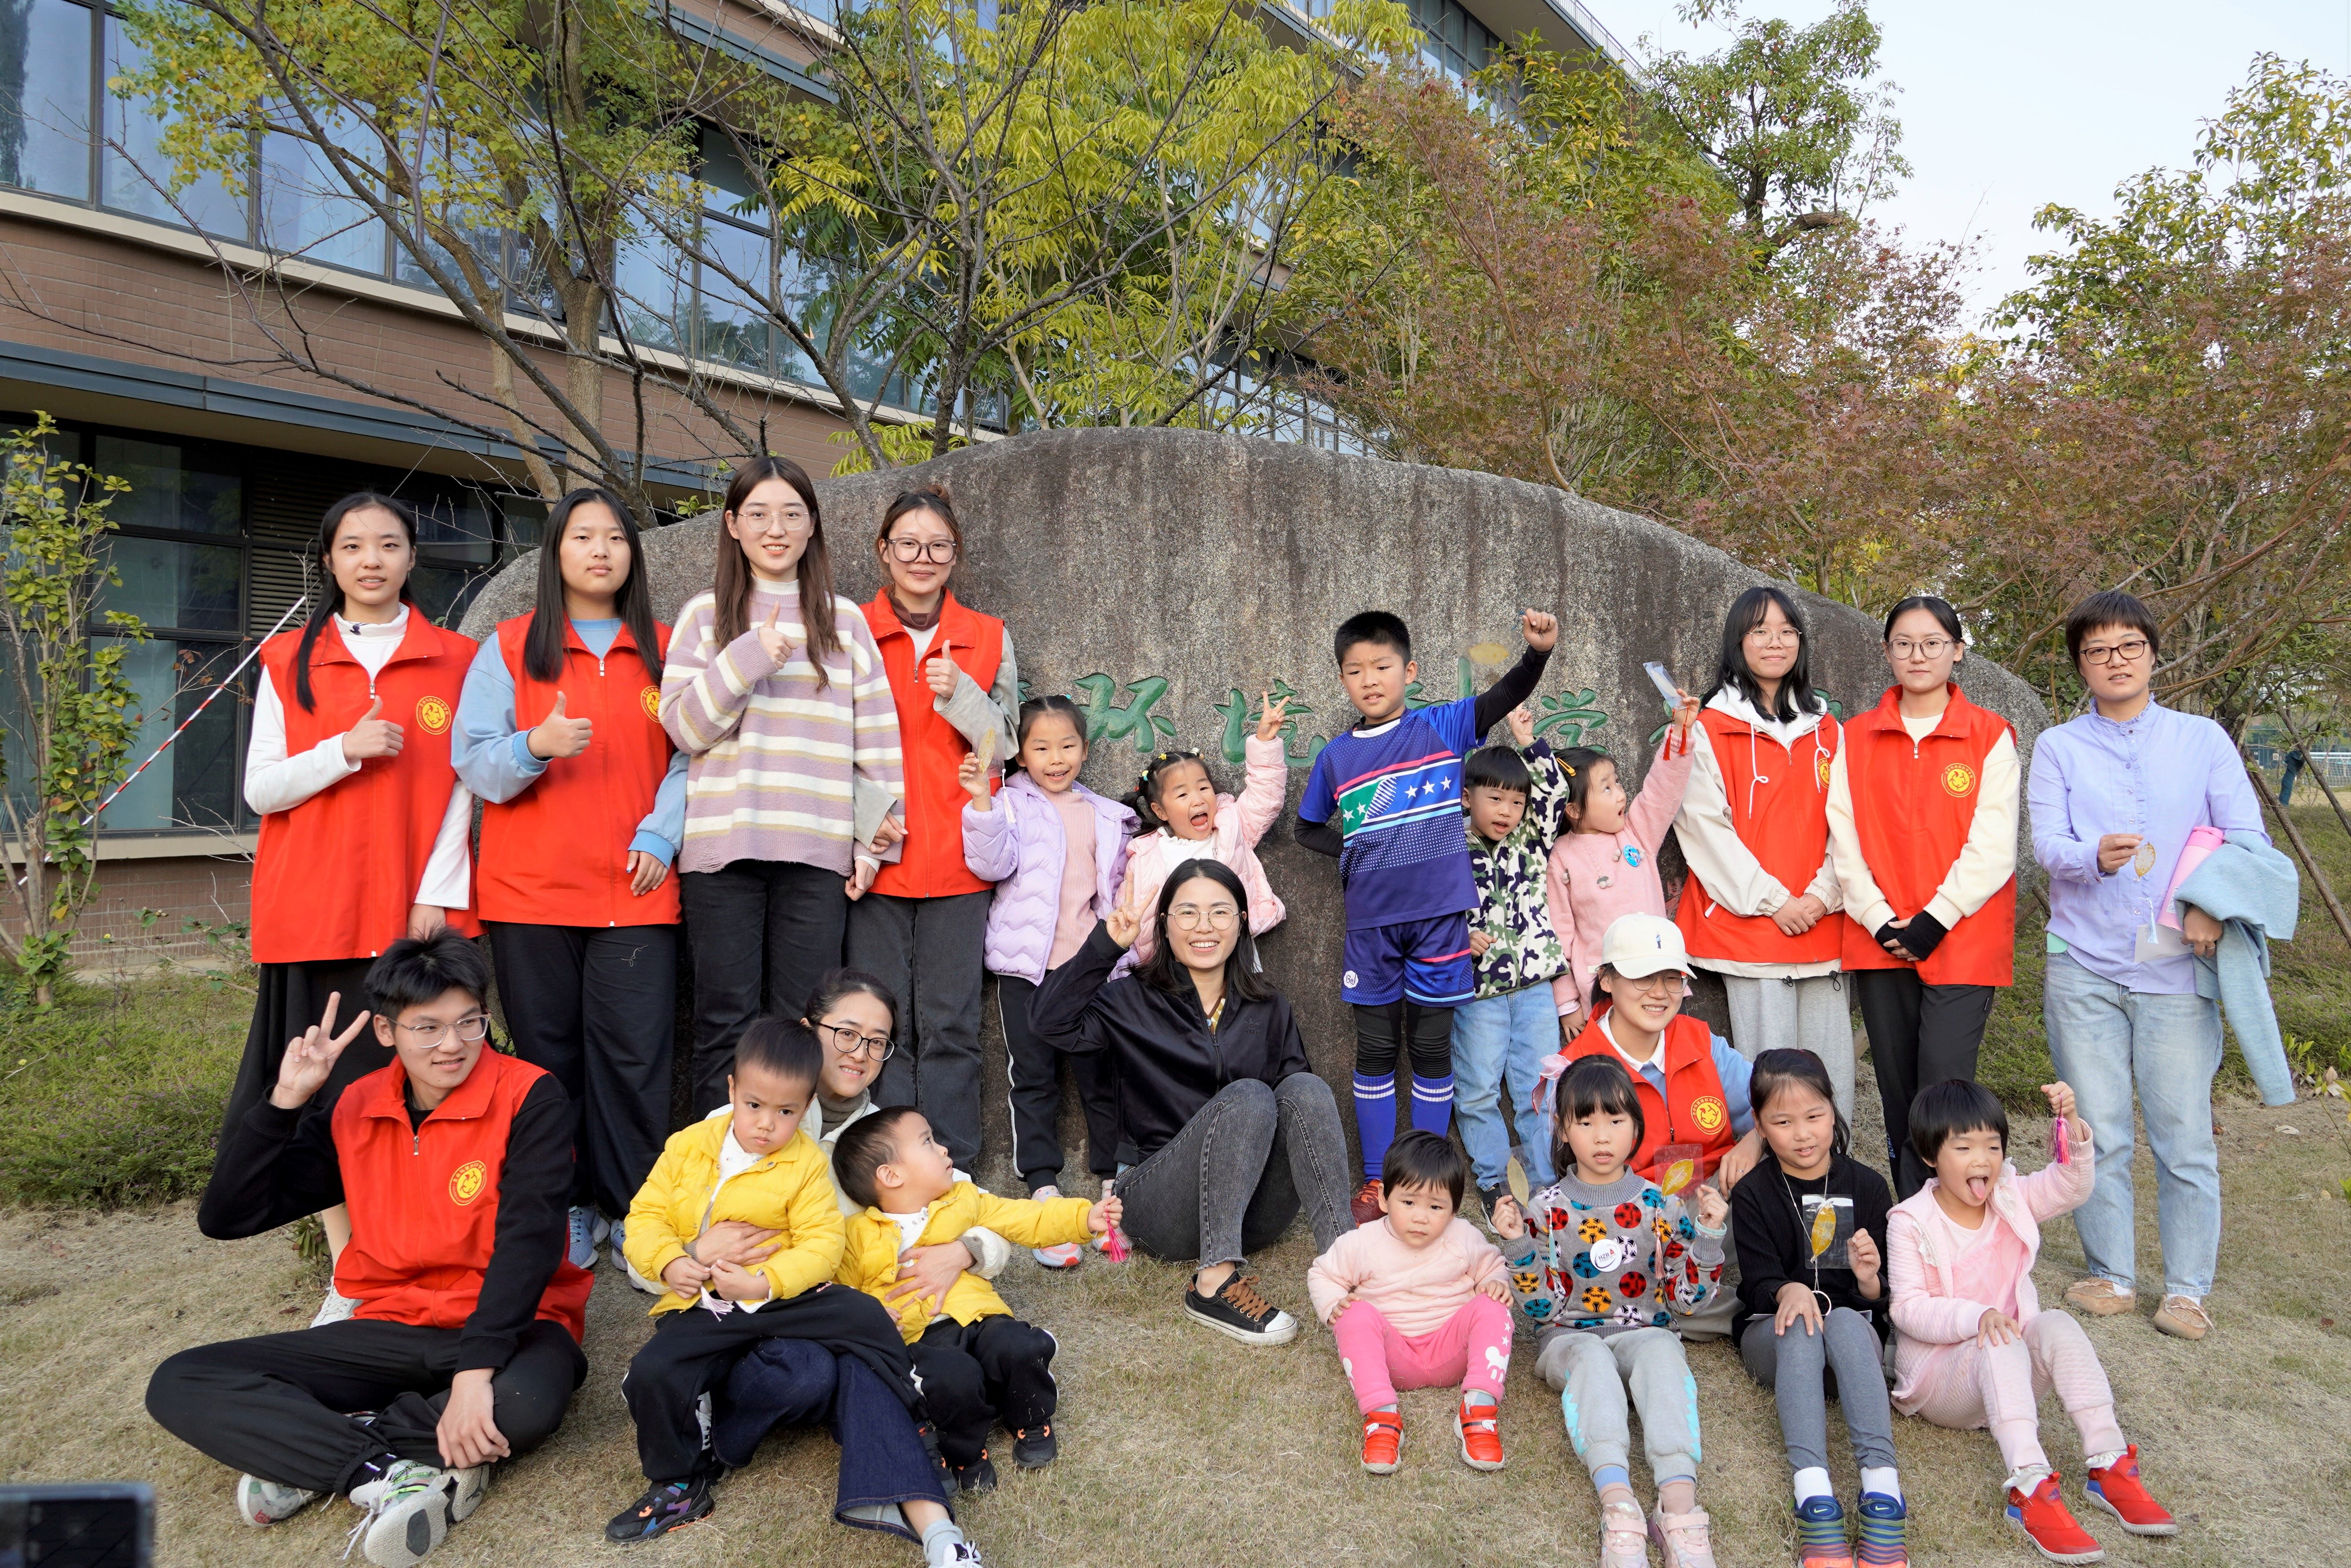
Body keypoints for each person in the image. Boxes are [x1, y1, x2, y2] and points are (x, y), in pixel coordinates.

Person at [148, 933, 587, 1568]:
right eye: (428, 1028)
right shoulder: (357, 1105)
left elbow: (529, 1242)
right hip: (389, 1326)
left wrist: (473, 1375)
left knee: (522, 1406)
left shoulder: (529, 1094)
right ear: (386, 1030)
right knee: (182, 1379)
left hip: (513, 1325)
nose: (453, 1044)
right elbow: (228, 1216)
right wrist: (285, 1102)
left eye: (469, 1022)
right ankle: (378, 1469)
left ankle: (310, 1446)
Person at [226, 491, 479, 1323]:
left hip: (411, 917)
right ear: (329, 560)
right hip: (315, 913)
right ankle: (351, 1271)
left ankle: (431, 1251)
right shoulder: (287, 660)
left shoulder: (457, 659)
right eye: (353, 546)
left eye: (389, 544)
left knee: (418, 1091)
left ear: (413, 557)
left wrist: (437, 893)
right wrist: (343, 748)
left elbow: (464, 789)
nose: (372, 560)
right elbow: (261, 788)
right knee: (329, 1099)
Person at [609, 1022, 978, 1567]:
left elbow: (822, 1245)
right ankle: (679, 1483)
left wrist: (765, 1281)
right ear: (732, 1090)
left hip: (783, 1297)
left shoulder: (806, 1162)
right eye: (754, 1106)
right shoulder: (688, 1146)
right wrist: (672, 1261)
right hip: (712, 1300)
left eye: (785, 1112)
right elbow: (644, 1219)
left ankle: (914, 1416)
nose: (766, 1124)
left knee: (861, 1314)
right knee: (653, 1370)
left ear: (804, 1108)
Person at [454, 486, 684, 1276]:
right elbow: (474, 763)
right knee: (548, 1060)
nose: (599, 550)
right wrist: (536, 745)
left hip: (637, 891)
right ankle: (570, 1205)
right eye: (582, 536)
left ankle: (638, 1215)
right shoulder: (511, 646)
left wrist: (661, 830)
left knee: (636, 1061)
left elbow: (697, 754)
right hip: (531, 895)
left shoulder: (665, 647)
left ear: (632, 554)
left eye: (614, 537)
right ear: (555, 553)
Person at [2028, 589, 2267, 1342]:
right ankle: (2111, 1273)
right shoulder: (2059, 746)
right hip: (2084, 961)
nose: (2114, 660)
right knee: (2097, 1128)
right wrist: (2089, 856)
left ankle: (2188, 1289)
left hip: (2175, 961)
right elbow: (2046, 843)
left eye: (2128, 645)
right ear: (2080, 665)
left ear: (2153, 653)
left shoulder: (2202, 739)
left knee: (2182, 1131)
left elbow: (2245, 835)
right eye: (2096, 650)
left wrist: (2209, 905)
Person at [706, 976, 1002, 1565]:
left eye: (877, 1041)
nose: (859, 1052)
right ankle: (713, 1432)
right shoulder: (736, 1120)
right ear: (807, 1030)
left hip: (832, 1322)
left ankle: (940, 1536)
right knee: (812, 1366)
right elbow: (658, 1227)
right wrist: (695, 1247)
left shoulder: (883, 1135)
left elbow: (979, 1206)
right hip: (743, 1316)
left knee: (843, 1353)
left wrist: (967, 1249)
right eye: (845, 1033)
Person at [661, 455, 906, 1114]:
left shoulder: (843, 621)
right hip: (723, 851)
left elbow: (876, 742)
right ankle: (715, 1167)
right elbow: (684, 729)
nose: (776, 529)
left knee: (804, 1028)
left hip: (815, 853)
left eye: (792, 514)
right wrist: (745, 658)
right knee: (724, 1021)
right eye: (760, 514)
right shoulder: (704, 615)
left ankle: (795, 1170)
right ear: (732, 524)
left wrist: (871, 846)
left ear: (812, 524)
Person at [1295, 608, 1556, 1222]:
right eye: (1354, 670)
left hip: (1442, 923)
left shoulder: (1440, 727)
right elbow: (1307, 828)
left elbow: (1503, 696)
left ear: (1408, 671)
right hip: (1370, 928)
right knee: (1376, 1050)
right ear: (1342, 679)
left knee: (1432, 1051)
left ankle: (1430, 1178)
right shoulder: (1336, 757)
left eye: (1381, 666)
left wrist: (1537, 653)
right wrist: (1356, 853)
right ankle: (1376, 1180)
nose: (1369, 679)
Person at [1029, 860, 1356, 1345]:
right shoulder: (1127, 1001)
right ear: (1164, 925)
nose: (1204, 926)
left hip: (1250, 1213)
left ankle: (1352, 1265)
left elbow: (1299, 1111)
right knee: (1249, 1095)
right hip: (1161, 1206)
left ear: (1241, 923)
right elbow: (1047, 1023)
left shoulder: (1269, 1005)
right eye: (1187, 913)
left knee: (1306, 1088)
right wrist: (1105, 947)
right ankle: (1213, 1284)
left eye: (1220, 912)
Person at [1887, 1079, 2178, 1564]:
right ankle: (2029, 1487)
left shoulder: (2007, 1195)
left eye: (1992, 1146)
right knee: (2000, 1336)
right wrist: (1978, 1316)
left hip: (2011, 1375)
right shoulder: (1909, 1220)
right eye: (1964, 1148)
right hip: (1944, 1383)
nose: (1982, 1160)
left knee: (2057, 1323)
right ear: (1929, 1155)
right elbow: (1907, 1309)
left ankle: (2107, 1463)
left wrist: (2071, 1123)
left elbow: (2070, 1185)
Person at [1495, 1055, 1730, 1568]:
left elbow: (1685, 1301)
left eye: (1615, 1120)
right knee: (1592, 1359)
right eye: (1585, 1122)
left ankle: (1679, 1509)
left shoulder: (1661, 1205)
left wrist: (1708, 1238)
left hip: (1645, 1331)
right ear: (1562, 1130)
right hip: (1569, 1340)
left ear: (1636, 1128)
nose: (1601, 1136)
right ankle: (1619, 1507)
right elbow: (1541, 1308)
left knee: (1662, 1350)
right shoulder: (1545, 1209)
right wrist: (1517, 1245)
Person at [1827, 595, 2018, 1198]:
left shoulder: (1989, 735)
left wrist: (1933, 921)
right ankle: (1913, 1223)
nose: (1918, 655)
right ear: (1886, 651)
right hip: (1880, 939)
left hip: (1962, 940)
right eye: (1904, 643)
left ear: (1956, 651)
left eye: (1932, 643)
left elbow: (1993, 846)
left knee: (1943, 1091)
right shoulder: (1854, 737)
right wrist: (1878, 918)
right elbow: (1841, 838)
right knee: (1898, 1095)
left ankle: (1960, 1222)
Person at [856, 488, 1018, 1185]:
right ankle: (886, 1169)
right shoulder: (848, 630)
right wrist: (862, 817)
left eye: (938, 545)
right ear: (883, 550)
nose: (922, 558)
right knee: (879, 1026)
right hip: (874, 858)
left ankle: (953, 1172)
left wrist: (960, 695)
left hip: (959, 857)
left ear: (955, 554)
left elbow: (1006, 743)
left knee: (951, 1023)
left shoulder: (988, 634)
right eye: (908, 543)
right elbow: (823, 740)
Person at [832, 1107, 1120, 1491]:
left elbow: (1025, 1217)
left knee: (1019, 1347)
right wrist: (871, 1313)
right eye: (927, 1142)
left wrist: (1083, 1219)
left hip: (981, 1316)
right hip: (920, 1337)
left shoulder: (963, 1200)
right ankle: (966, 1454)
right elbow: (840, 1291)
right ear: (891, 1175)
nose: (943, 1149)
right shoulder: (855, 1235)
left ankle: (1032, 1417)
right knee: (951, 1381)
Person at [958, 693, 1134, 1264]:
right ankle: (1042, 1193)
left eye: (1066, 746)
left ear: (1084, 749)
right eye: (1041, 747)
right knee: (1032, 1077)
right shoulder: (1009, 803)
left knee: (1101, 1078)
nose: (1055, 758)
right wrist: (981, 802)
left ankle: (1112, 1191)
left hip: (1090, 970)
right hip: (1027, 968)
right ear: (1022, 754)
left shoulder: (1107, 814)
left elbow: (1116, 892)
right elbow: (989, 864)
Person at [1675, 587, 1853, 1117]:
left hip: (1822, 924)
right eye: (1760, 631)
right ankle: (1774, 1174)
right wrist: (1776, 902)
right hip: (1751, 929)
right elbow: (1703, 827)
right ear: (1738, 642)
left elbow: (1850, 823)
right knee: (1772, 1087)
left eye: (1786, 631)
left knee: (1832, 1083)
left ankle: (1835, 1171)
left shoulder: (1828, 728)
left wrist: (1822, 896)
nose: (1775, 642)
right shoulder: (1708, 727)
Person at [1731, 1049, 1905, 1568]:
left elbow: (1881, 1299)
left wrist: (1869, 1281)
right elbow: (1757, 1282)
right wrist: (1785, 1291)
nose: (1802, 1134)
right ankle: (1814, 1497)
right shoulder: (1754, 1192)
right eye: (1783, 1122)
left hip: (1851, 1352)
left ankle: (1883, 1491)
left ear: (1833, 1110)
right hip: (1779, 1341)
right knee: (1803, 1325)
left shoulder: (1868, 1186)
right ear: (1760, 1125)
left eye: (1814, 1116)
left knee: (1845, 1319)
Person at [1305, 1131, 1514, 1476]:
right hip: (1390, 1360)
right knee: (1354, 1314)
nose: (1420, 1217)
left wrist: (1495, 1283)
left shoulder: (1463, 1237)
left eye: (1435, 1207)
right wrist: (1334, 1305)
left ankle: (1479, 1412)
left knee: (1493, 1305)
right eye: (1408, 1203)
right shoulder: (1362, 1242)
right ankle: (1382, 1419)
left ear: (1454, 1210)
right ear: (1384, 1198)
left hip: (1454, 1355)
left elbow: (1492, 1265)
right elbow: (1323, 1274)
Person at [1454, 706, 1573, 1214]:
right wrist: (1459, 936)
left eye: (1516, 801)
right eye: (1495, 798)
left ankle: (1547, 1184)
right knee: (1477, 1089)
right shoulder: (1451, 842)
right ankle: (1495, 1184)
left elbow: (1556, 793)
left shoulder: (1532, 837)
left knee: (1540, 1089)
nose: (1507, 810)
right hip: (1477, 990)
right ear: (1467, 798)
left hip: (1533, 986)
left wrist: (1529, 742)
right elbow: (1428, 904)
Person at [1547, 691, 1701, 1037]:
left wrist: (1680, 733)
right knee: (1611, 1065)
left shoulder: (1636, 835)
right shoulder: (1560, 858)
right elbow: (1558, 937)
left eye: (1617, 782)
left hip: (1662, 981)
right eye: (1606, 789)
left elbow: (1662, 791)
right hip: (1603, 991)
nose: (1620, 794)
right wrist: (1567, 1004)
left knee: (1670, 1054)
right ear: (1573, 809)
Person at [1115, 698, 1290, 971]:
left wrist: (1265, 743)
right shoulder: (1146, 855)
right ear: (1160, 810)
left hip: (1233, 958)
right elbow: (1130, 911)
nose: (1197, 800)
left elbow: (1265, 799)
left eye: (1203, 788)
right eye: (1182, 795)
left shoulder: (1232, 827)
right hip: (1174, 966)